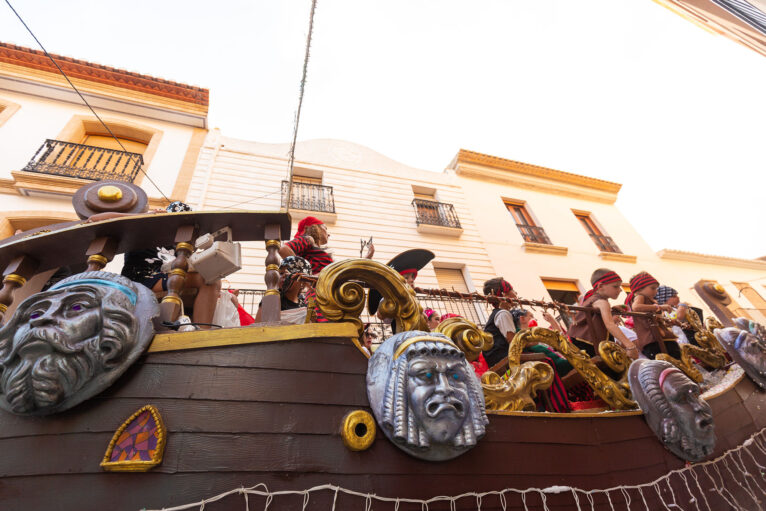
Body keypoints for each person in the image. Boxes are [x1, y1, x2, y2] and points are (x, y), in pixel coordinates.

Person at [87, 201, 222, 328]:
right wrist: (145, 216)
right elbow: (96, 219)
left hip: (169, 279)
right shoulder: (144, 229)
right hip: (141, 280)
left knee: (212, 279)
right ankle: (202, 332)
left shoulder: (181, 245)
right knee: (206, 278)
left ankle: (202, 332)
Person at [280, 217, 374, 321]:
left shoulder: (317, 249)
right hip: (321, 295)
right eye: (325, 228)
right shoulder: (308, 239)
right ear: (317, 228)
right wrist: (305, 276)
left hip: (330, 295)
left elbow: (342, 272)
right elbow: (284, 249)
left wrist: (367, 257)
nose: (328, 234)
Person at [567, 268, 639, 359]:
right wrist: (630, 346)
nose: (620, 290)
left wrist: (611, 310)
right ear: (600, 286)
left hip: (580, 340)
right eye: (615, 286)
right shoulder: (602, 302)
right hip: (587, 344)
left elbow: (596, 315)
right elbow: (610, 325)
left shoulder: (595, 299)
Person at [368, 249, 435, 332]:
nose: (411, 280)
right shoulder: (392, 297)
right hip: (402, 335)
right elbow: (384, 318)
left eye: (412, 277)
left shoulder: (413, 298)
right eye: (406, 278)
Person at [626, 272, 680, 360]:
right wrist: (659, 307)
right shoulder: (640, 296)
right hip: (652, 338)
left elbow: (655, 317)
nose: (655, 291)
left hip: (660, 336)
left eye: (656, 289)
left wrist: (668, 321)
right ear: (639, 289)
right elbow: (636, 307)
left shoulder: (650, 301)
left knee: (675, 357)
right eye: (652, 288)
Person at [254, 255, 312, 324]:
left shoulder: (304, 302)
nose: (284, 275)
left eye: (290, 272)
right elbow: (259, 327)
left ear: (303, 280)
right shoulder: (272, 299)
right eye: (281, 273)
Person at [481, 277, 518, 367]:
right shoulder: (503, 313)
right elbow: (513, 341)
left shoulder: (499, 313)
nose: (516, 293)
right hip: (504, 362)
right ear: (504, 294)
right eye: (512, 290)